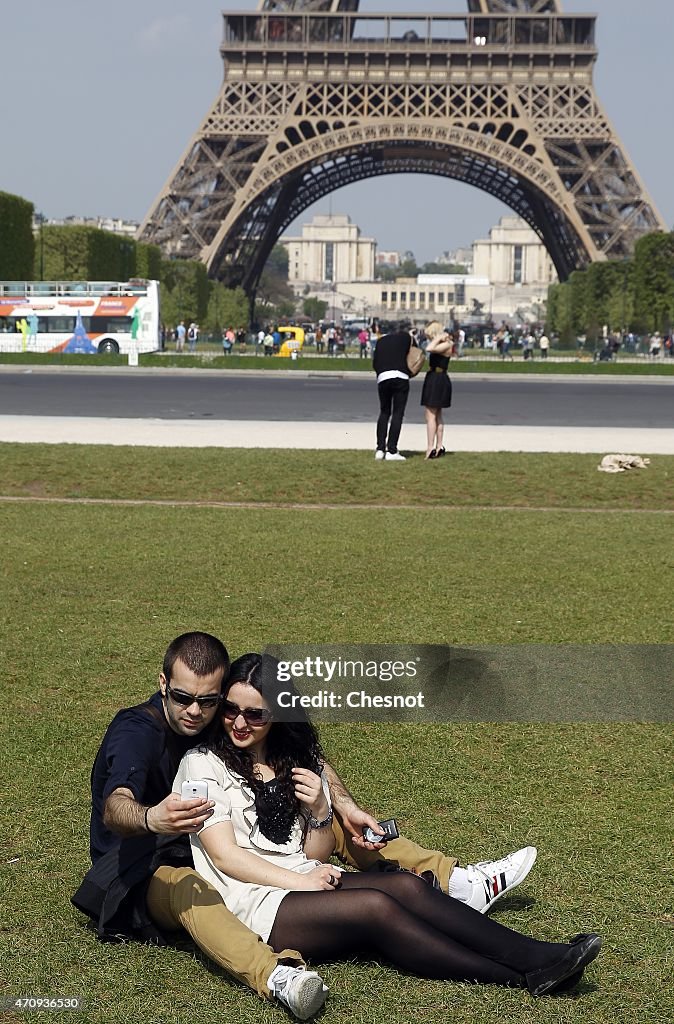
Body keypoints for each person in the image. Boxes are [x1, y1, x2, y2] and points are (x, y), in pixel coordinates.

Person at [73, 632, 538, 1020]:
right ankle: (276, 975)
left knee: (330, 824)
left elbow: (302, 754)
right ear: (163, 685)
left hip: (223, 840)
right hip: (141, 861)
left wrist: (339, 803)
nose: (197, 711)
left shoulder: (230, 720)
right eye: (183, 698)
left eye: (208, 701)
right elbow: (118, 807)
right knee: (191, 886)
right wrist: (154, 817)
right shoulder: (142, 732)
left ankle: (455, 882)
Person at [174, 654, 601, 1011]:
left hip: (301, 883)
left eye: (255, 713)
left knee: (404, 886)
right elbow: (227, 857)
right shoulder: (202, 764)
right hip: (250, 901)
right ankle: (524, 973)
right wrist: (300, 880)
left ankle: (534, 955)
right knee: (377, 907)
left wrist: (322, 810)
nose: (239, 722)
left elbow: (315, 854)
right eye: (230, 709)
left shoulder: (292, 762)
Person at [373, 322, 415, 461]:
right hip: (400, 376)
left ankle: (380, 449)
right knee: (398, 413)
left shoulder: (380, 342)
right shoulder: (405, 338)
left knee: (384, 412)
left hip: (383, 376)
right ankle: (392, 450)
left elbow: (375, 363)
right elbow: (415, 352)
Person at [420, 321, 453, 460]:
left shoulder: (446, 344)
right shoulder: (442, 343)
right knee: (437, 415)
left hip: (437, 379)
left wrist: (438, 338)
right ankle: (439, 447)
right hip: (434, 377)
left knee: (431, 415)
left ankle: (430, 447)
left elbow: (429, 348)